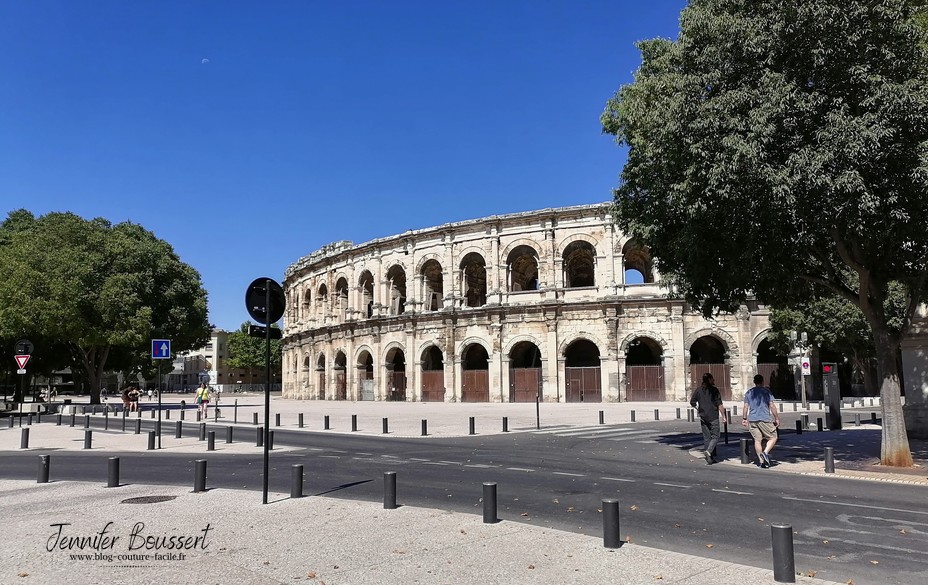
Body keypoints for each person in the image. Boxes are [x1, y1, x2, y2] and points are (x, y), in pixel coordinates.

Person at [742, 374, 780, 468]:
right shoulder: (766, 391)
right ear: (762, 381)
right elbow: (771, 405)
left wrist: (744, 418)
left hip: (753, 419)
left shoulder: (749, 392)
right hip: (764, 418)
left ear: (754, 382)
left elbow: (746, 406)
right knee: (773, 437)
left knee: (757, 440)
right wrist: (776, 418)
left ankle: (761, 462)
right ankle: (765, 453)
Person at [690, 372, 726, 465]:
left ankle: (710, 458)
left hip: (703, 417)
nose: (714, 380)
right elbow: (719, 404)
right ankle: (709, 451)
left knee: (707, 438)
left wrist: (699, 408)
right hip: (713, 416)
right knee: (716, 436)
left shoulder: (698, 390)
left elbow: (692, 402)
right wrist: (724, 416)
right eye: (712, 379)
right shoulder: (714, 390)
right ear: (709, 380)